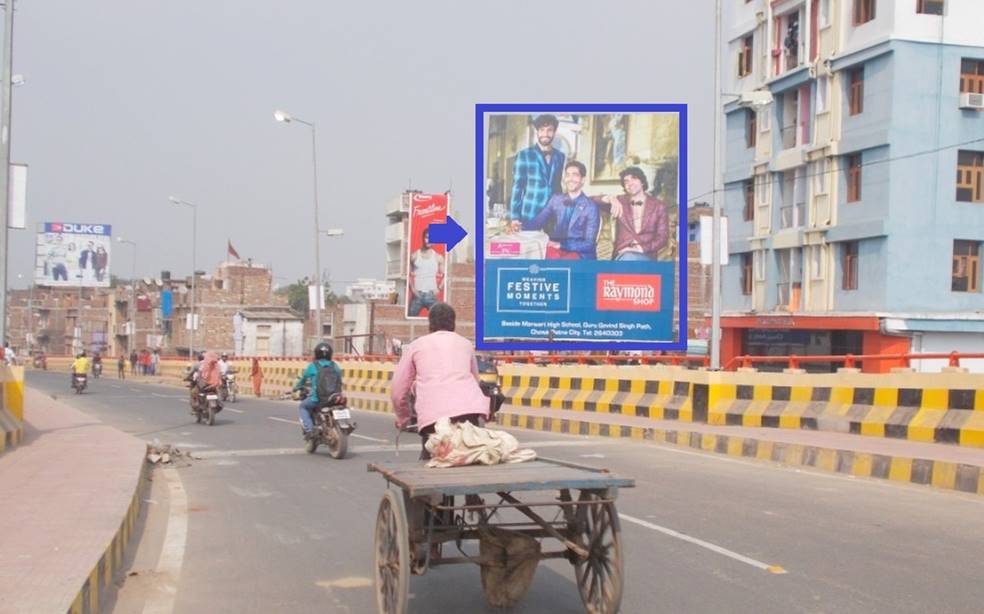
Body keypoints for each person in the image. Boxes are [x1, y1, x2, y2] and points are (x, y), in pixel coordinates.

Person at [390, 303, 490, 459]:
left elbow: (398, 390)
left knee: (430, 459)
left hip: (433, 421)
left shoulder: (416, 346)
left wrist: (403, 419)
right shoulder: (466, 344)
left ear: (430, 324)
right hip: (468, 416)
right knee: (470, 459)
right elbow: (475, 382)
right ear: (454, 324)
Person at [524, 160, 600, 260]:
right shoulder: (556, 199)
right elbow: (539, 221)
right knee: (535, 256)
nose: (570, 179)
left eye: (575, 175)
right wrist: (521, 227)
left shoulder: (591, 206)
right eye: (567, 175)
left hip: (579, 253)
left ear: (583, 180)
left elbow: (589, 244)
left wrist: (561, 245)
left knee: (561, 266)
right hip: (556, 248)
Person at [509, 114, 566, 226]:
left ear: (554, 132)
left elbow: (558, 185)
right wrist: (515, 216)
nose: (545, 134)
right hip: (530, 213)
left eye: (549, 130)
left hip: (553, 215)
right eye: (542, 130)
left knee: (551, 243)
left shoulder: (560, 156)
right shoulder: (524, 155)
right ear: (537, 132)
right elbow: (518, 187)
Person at [603, 166, 670, 261]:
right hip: (621, 253)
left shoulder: (659, 206)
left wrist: (641, 248)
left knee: (628, 258)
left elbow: (663, 237)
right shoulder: (620, 201)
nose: (630, 183)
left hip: (646, 255)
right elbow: (592, 201)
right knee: (625, 258)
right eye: (626, 181)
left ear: (642, 182)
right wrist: (610, 198)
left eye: (634, 178)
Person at [292, 342, 343, 439]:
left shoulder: (313, 366)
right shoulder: (335, 365)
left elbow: (303, 379)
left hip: (317, 399)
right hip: (335, 398)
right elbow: (340, 380)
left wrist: (296, 387)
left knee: (303, 407)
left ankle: (310, 430)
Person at [407, 228, 444, 317]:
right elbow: (407, 273)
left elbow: (445, 275)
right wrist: (412, 289)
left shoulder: (438, 257)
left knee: (439, 319)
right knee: (410, 318)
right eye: (427, 237)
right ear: (423, 238)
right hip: (417, 295)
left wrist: (439, 288)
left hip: (431, 294)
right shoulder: (414, 256)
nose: (428, 240)